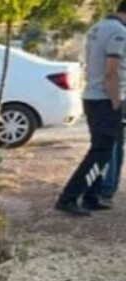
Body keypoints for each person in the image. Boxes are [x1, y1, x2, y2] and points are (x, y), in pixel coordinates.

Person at [56, 2, 126, 216]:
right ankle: (69, 197)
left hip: (93, 97)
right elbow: (111, 72)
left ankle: (91, 196)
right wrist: (116, 103)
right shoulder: (119, 32)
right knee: (100, 152)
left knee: (102, 151)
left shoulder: (98, 27)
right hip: (106, 100)